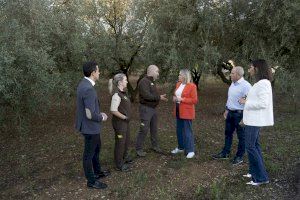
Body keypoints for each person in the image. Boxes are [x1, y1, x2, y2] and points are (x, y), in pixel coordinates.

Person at [239, 59, 273, 186]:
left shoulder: (263, 83)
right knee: (254, 146)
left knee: (251, 147)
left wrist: (246, 102)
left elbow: (263, 103)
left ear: (257, 69)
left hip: (255, 121)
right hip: (252, 119)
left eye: (250, 67)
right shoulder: (260, 83)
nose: (249, 70)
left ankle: (261, 177)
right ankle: (254, 172)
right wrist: (247, 99)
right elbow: (257, 99)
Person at [75, 61, 110, 189]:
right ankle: (91, 181)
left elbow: (88, 109)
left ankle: (97, 172)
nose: (99, 72)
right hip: (90, 127)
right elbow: (90, 115)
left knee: (96, 149)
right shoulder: (88, 89)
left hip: (89, 126)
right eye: (98, 70)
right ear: (93, 72)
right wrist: (101, 116)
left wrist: (97, 112)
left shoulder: (83, 84)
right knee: (88, 155)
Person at [212, 66, 251, 165]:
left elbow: (249, 102)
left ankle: (239, 156)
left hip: (240, 114)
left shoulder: (246, 86)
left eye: (232, 73)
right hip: (230, 113)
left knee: (241, 136)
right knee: (228, 134)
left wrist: (245, 117)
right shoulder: (233, 84)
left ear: (238, 75)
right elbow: (230, 98)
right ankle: (225, 153)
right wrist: (226, 109)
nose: (230, 74)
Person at [135, 65, 168, 157]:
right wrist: (159, 97)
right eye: (157, 71)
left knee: (154, 129)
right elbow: (147, 96)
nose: (158, 74)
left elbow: (152, 94)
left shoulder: (151, 81)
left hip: (153, 109)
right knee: (144, 129)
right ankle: (139, 149)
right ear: (152, 71)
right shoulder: (144, 82)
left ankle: (155, 146)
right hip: (145, 109)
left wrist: (159, 97)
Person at [171, 69, 198, 158]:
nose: (178, 76)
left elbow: (194, 100)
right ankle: (181, 147)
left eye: (180, 75)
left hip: (187, 111)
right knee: (179, 130)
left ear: (184, 76)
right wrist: (174, 98)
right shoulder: (178, 84)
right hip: (178, 109)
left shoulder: (192, 86)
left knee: (187, 131)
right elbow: (176, 94)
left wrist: (182, 99)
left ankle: (190, 150)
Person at [109, 73, 132, 172]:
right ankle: (118, 164)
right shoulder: (116, 95)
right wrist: (124, 117)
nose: (127, 81)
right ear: (120, 82)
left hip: (125, 122)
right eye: (125, 80)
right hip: (120, 123)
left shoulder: (123, 93)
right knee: (120, 143)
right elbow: (113, 110)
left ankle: (124, 158)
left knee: (126, 141)